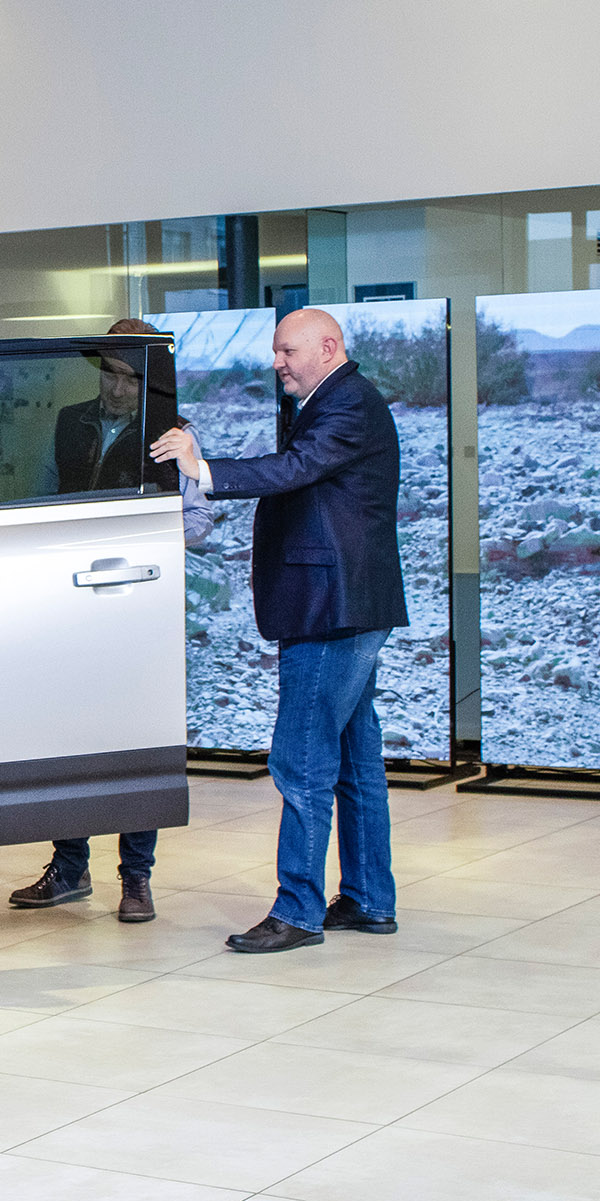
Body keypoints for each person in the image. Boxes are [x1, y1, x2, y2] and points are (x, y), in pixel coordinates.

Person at [151, 307, 407, 953]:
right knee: (353, 762)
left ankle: (298, 910)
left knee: (302, 763)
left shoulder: (346, 404)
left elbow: (295, 468)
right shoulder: (339, 399)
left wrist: (201, 469)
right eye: (275, 351)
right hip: (348, 607)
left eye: (287, 350)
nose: (277, 362)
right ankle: (370, 899)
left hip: (332, 611)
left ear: (327, 346)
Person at [10, 319, 215, 923]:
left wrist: (147, 542)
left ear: (149, 379)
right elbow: (48, 492)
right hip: (70, 601)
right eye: (108, 374)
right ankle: (69, 867)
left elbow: (198, 521)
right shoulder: (70, 420)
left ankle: (137, 878)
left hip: (135, 605)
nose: (116, 389)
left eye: (129, 378)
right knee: (69, 735)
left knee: (135, 737)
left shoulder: (176, 434)